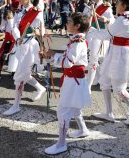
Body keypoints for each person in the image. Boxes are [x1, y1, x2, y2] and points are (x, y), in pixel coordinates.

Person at [89, 0, 129, 125]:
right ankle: (109, 113)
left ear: (124, 6)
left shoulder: (122, 20)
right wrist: (107, 21)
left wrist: (91, 30)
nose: (116, 5)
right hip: (118, 52)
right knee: (105, 82)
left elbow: (106, 35)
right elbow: (117, 30)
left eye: (118, 3)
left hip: (120, 54)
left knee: (119, 89)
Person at [43, 12, 92, 155]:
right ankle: (83, 129)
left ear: (77, 26)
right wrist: (51, 57)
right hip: (73, 81)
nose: (67, 23)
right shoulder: (76, 40)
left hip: (74, 82)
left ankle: (61, 144)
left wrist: (53, 55)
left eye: (70, 21)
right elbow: (66, 59)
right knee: (74, 107)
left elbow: (68, 63)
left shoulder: (78, 43)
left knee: (63, 111)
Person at [2, 0, 46, 116]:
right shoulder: (19, 11)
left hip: (30, 46)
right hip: (20, 44)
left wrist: (36, 32)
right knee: (23, 72)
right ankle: (40, 87)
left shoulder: (37, 12)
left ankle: (16, 105)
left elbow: (42, 31)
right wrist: (17, 37)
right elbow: (14, 26)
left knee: (20, 74)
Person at [83, 0, 114, 92]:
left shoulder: (106, 8)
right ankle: (96, 79)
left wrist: (106, 20)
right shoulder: (88, 6)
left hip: (99, 37)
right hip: (89, 35)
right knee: (93, 60)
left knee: (94, 60)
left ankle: (89, 86)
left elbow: (112, 23)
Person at [0, 10, 16, 79]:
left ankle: (0, 72)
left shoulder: (11, 20)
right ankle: (12, 72)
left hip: (12, 40)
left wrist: (5, 20)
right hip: (10, 39)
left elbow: (3, 28)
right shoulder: (12, 20)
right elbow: (2, 28)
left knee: (7, 56)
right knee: (11, 56)